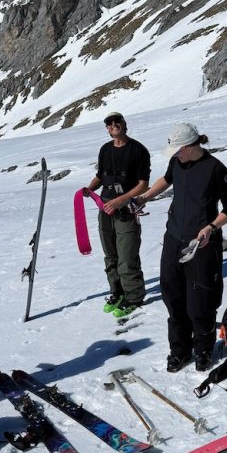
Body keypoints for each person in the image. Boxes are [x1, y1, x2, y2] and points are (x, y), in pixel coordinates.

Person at [138, 122, 227, 372]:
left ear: (191, 146)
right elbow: (166, 180)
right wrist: (144, 197)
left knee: (200, 302)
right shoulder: (177, 163)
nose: (176, 155)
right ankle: (179, 350)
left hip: (202, 243)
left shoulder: (216, 169)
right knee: (173, 297)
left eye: (178, 150)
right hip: (173, 238)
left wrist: (210, 228)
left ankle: (203, 349)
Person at [84, 112, 151, 319]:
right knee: (110, 254)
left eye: (116, 122)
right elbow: (100, 176)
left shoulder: (138, 150)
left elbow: (143, 184)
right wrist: (89, 189)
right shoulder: (105, 149)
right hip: (105, 208)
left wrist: (121, 200)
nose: (113, 126)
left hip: (126, 209)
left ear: (124, 124)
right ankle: (117, 292)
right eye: (109, 124)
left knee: (127, 255)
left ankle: (134, 297)